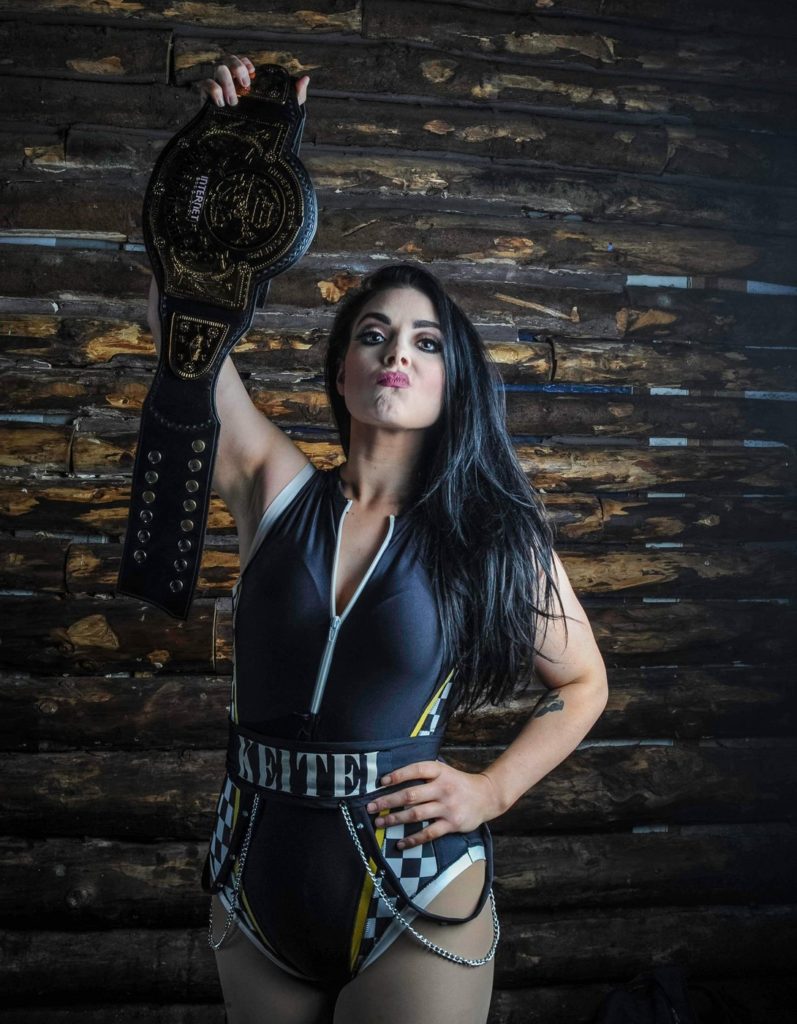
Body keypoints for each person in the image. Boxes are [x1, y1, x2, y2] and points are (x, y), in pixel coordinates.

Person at [148, 54, 609, 1024]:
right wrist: (209, 161)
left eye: (425, 341)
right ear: (341, 369)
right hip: (252, 881)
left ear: (450, 380)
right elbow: (184, 335)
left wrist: (491, 791)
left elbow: (583, 684)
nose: (396, 349)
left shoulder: (488, 530)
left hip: (414, 893)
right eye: (372, 333)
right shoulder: (273, 487)